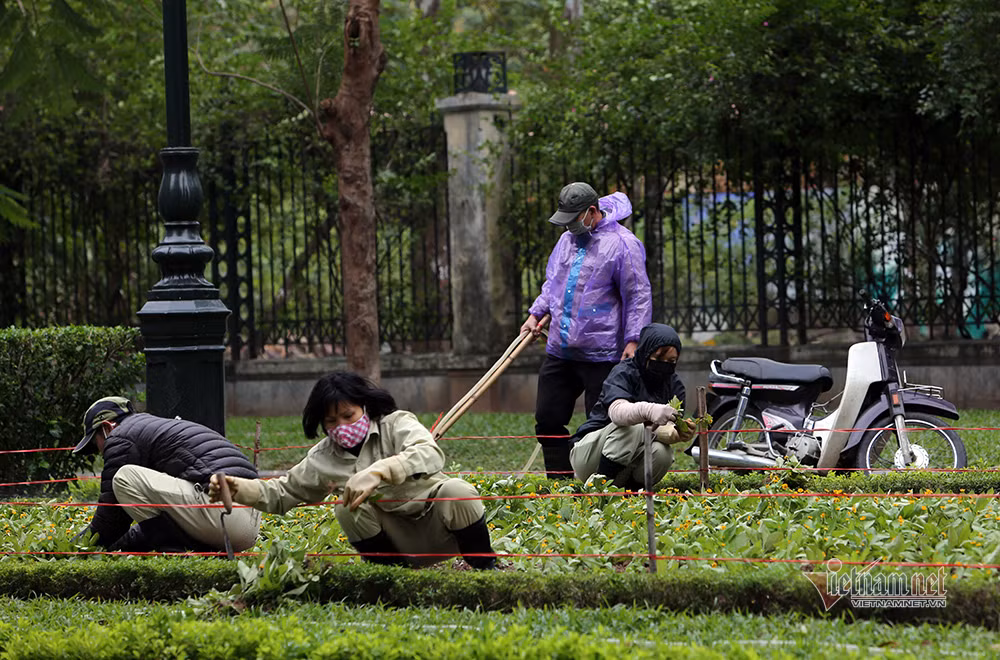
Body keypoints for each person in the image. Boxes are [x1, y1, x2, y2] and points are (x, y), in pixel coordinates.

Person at [209, 371, 498, 569]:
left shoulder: (396, 424)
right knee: (346, 508)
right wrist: (239, 488)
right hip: (397, 543)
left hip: (444, 529)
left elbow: (430, 453)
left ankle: (486, 567)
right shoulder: (322, 458)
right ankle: (390, 578)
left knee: (457, 490)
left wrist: (380, 471)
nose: (342, 426)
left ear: (365, 407)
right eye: (331, 422)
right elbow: (282, 493)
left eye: (349, 415)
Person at [521, 182, 653, 478]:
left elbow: (637, 296)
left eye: (573, 219)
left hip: (603, 353)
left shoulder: (623, 244)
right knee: (547, 417)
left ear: (591, 211)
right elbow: (553, 283)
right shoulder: (566, 240)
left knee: (600, 427)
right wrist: (536, 313)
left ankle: (596, 486)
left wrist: (633, 340)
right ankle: (560, 483)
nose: (569, 226)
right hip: (561, 348)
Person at [72, 396, 261, 553]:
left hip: (225, 515)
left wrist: (74, 547)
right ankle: (194, 550)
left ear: (107, 427)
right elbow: (162, 522)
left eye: (95, 443)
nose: (100, 452)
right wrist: (124, 543)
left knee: (124, 478)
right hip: (248, 518)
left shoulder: (119, 437)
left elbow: (111, 519)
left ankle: (180, 554)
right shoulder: (151, 431)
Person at [569, 323, 695, 490]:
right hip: (590, 455)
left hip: (628, 461)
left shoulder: (674, 385)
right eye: (658, 359)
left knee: (662, 453)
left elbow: (660, 431)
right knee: (634, 427)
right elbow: (617, 412)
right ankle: (599, 489)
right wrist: (649, 410)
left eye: (671, 361)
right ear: (645, 353)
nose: (665, 365)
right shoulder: (624, 372)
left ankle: (631, 493)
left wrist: (677, 433)